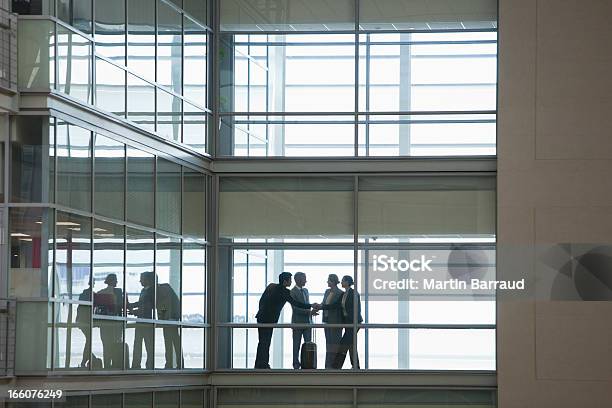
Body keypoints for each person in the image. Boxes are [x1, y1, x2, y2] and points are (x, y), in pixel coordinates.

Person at [254, 272, 317, 369]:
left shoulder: (271, 286)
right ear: (285, 281)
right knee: (266, 342)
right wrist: (311, 305)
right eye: (290, 280)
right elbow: (296, 304)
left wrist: (261, 311)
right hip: (269, 320)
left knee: (262, 342)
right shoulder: (285, 292)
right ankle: (263, 365)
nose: (291, 282)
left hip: (261, 317)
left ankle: (260, 364)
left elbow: (261, 300)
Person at [314, 275, 362, 369]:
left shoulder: (354, 293)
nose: (342, 282)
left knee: (344, 344)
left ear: (348, 282)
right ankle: (355, 366)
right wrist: (321, 307)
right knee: (351, 345)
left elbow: (356, 309)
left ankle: (337, 366)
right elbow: (334, 305)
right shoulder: (344, 294)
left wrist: (353, 323)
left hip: (354, 323)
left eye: (343, 281)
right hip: (348, 323)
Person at [289, 272, 318, 369]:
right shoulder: (292, 292)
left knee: (308, 344)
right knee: (296, 344)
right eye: (304, 279)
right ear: (297, 280)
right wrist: (309, 312)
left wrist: (311, 312)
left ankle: (308, 363)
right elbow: (295, 309)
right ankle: (296, 364)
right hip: (297, 322)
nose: (306, 280)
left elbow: (307, 305)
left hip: (308, 322)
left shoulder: (306, 291)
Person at [95, 274, 123, 369]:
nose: (117, 282)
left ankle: (107, 365)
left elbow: (96, 308)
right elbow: (122, 307)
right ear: (112, 281)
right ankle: (115, 365)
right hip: (116, 324)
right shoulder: (119, 293)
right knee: (116, 345)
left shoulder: (100, 293)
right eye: (115, 280)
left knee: (106, 345)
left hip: (104, 324)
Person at [128, 272, 155, 369]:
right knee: (138, 344)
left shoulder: (152, 291)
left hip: (147, 322)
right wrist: (131, 306)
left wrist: (135, 311)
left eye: (142, 279)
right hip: (141, 321)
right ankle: (136, 365)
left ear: (147, 280)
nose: (140, 282)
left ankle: (149, 365)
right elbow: (141, 303)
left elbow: (147, 307)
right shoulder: (144, 290)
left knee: (148, 345)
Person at [156, 280, 181, 368]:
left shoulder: (162, 289)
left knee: (171, 342)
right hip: (171, 320)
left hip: (170, 320)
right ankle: (177, 364)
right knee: (173, 342)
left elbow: (164, 305)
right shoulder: (164, 288)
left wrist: (163, 319)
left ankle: (170, 364)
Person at [321, 274, 344, 369]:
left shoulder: (340, 293)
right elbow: (324, 303)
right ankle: (328, 365)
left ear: (333, 281)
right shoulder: (327, 292)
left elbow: (335, 306)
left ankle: (334, 366)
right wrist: (317, 308)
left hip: (336, 322)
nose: (327, 282)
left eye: (329, 280)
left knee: (335, 344)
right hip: (327, 321)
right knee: (328, 344)